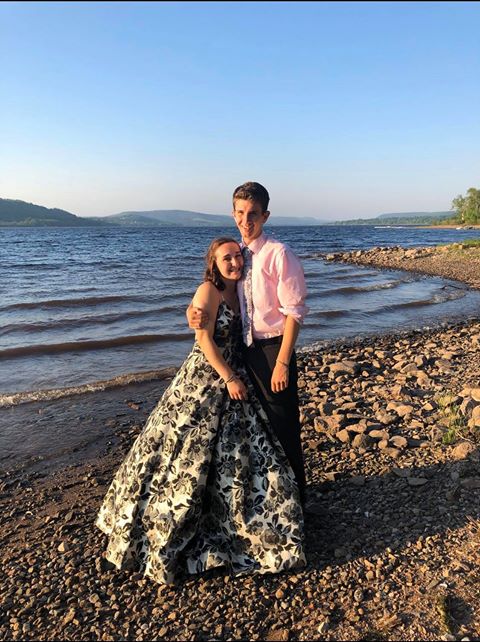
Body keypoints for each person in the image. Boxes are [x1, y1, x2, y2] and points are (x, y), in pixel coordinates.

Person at [96, 237, 305, 585]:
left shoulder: (241, 291)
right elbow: (203, 339)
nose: (236, 262)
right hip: (206, 380)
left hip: (236, 375)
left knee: (237, 453)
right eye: (227, 258)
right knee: (182, 453)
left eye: (238, 256)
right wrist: (228, 378)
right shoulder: (207, 290)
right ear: (214, 262)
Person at [188, 182, 308, 506]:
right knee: (258, 433)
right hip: (244, 352)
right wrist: (193, 312)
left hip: (273, 351)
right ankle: (270, 502)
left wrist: (283, 362)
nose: (246, 220)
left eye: (253, 213)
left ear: (265, 215)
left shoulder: (278, 254)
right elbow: (215, 289)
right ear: (233, 214)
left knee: (283, 430)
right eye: (240, 213)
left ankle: (299, 506)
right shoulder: (238, 256)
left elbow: (294, 312)